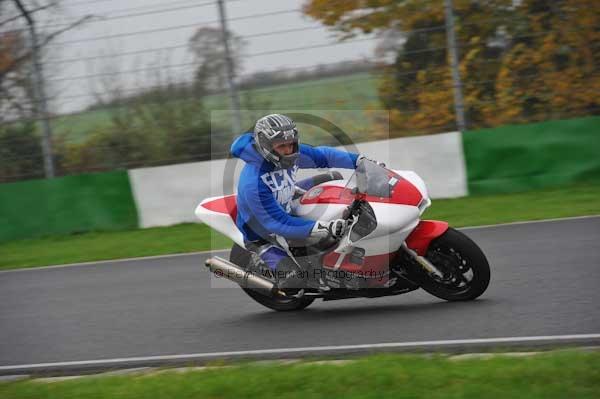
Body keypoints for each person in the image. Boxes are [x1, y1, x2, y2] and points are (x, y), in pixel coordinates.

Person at [230, 114, 368, 291]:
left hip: (286, 196)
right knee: (294, 281)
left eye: (292, 144)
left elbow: (322, 156)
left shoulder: (288, 154)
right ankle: (277, 269)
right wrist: (324, 227)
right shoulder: (253, 183)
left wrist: (358, 161)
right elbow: (277, 223)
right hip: (263, 232)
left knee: (334, 177)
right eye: (282, 146)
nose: (289, 151)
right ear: (265, 146)